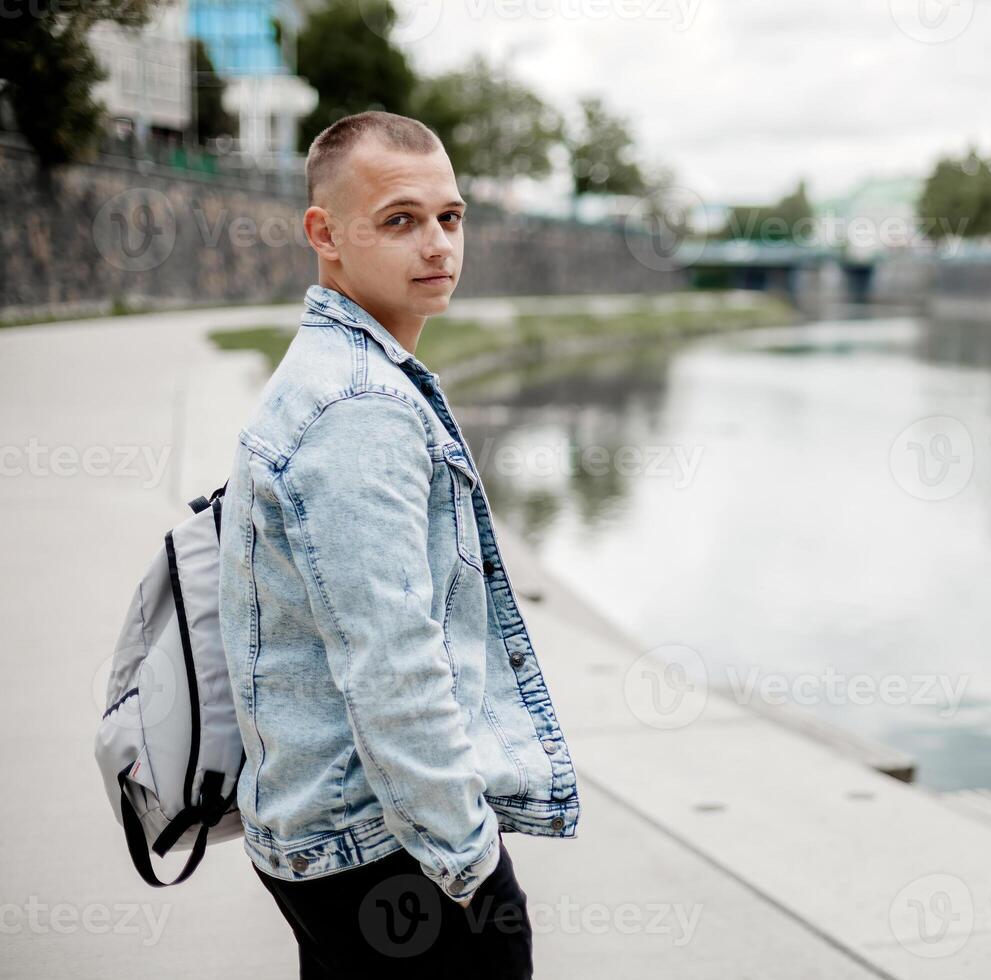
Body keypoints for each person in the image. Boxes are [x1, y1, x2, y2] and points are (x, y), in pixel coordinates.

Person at [216, 110, 580, 977]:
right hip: (383, 851)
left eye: (450, 218)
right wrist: (474, 867)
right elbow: (390, 663)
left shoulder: (335, 372)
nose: (437, 245)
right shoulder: (359, 411)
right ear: (325, 233)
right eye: (400, 220)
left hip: (334, 834)